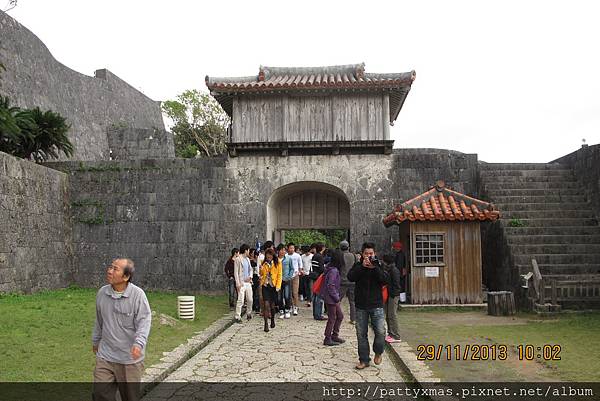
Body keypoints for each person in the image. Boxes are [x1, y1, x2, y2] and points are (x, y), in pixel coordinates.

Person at [92, 258, 151, 401]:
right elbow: (99, 320)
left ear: (126, 277)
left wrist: (139, 344)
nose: (109, 271)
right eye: (110, 267)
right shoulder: (102, 293)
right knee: (99, 394)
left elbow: (144, 322)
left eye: (115, 269)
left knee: (130, 397)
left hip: (129, 359)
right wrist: (96, 340)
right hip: (106, 356)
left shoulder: (138, 295)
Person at [347, 242, 390, 370]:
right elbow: (350, 277)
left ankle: (378, 351)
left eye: (371, 253)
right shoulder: (358, 265)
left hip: (376, 304)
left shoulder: (379, 265)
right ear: (362, 254)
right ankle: (364, 359)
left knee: (381, 331)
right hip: (361, 305)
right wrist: (362, 267)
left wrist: (374, 267)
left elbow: (385, 280)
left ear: (374, 254)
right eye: (366, 253)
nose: (368, 256)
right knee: (361, 334)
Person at [321, 249, 345, 346]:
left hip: (331, 296)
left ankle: (334, 335)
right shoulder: (334, 271)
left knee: (339, 316)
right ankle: (327, 338)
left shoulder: (330, 268)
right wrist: (336, 297)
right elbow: (330, 285)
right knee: (332, 318)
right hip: (331, 297)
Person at [259, 248, 282, 332]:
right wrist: (261, 269)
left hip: (274, 286)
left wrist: (278, 286)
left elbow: (279, 275)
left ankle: (272, 319)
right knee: (266, 304)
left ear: (273, 256)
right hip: (265, 286)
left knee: (272, 305)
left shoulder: (278, 263)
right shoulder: (263, 263)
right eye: (267, 255)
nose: (269, 257)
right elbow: (261, 274)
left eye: (270, 255)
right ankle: (265, 324)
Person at [382, 254, 402, 343]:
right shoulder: (389, 270)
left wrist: (393, 295)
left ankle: (396, 335)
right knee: (388, 315)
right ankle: (390, 333)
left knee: (392, 315)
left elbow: (397, 285)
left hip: (393, 295)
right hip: (389, 294)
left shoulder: (394, 270)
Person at [234, 244, 253, 323]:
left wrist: (250, 277)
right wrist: (238, 283)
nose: (249, 252)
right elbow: (236, 272)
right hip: (241, 283)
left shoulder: (248, 259)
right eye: (248, 250)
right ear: (246, 250)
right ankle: (237, 316)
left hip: (248, 282)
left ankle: (249, 313)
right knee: (240, 300)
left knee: (250, 299)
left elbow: (251, 269)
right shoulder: (238, 259)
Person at [339, 240, 357, 325]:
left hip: (342, 281)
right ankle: (353, 319)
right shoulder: (353, 255)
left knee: (337, 300)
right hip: (352, 280)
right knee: (352, 301)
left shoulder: (340, 256)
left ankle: (336, 316)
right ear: (348, 247)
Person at [285, 242, 303, 316]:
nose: (292, 249)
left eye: (293, 248)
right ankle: (291, 306)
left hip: (295, 276)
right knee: (289, 293)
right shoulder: (285, 256)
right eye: (290, 248)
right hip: (287, 276)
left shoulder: (297, 256)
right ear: (288, 248)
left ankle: (296, 307)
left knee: (295, 292)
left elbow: (300, 265)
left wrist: (299, 271)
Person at [311, 242, 327, 320]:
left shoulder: (314, 256)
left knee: (315, 295)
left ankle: (315, 313)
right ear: (322, 248)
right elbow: (321, 269)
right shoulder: (320, 257)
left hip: (314, 277)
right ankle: (318, 314)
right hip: (319, 278)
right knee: (319, 296)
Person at [275, 244, 290, 318]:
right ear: (278, 251)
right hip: (278, 281)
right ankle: (281, 311)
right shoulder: (275, 259)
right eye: (281, 250)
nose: (283, 251)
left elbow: (292, 268)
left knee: (287, 296)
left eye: (284, 250)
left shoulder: (288, 258)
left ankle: (287, 310)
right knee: (279, 297)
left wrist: (289, 276)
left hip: (286, 280)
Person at [250, 248, 260, 312]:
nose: (254, 254)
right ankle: (254, 305)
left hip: (257, 276)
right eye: (253, 253)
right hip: (252, 276)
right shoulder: (249, 260)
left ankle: (257, 305)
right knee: (253, 292)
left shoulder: (258, 260)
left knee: (257, 292)